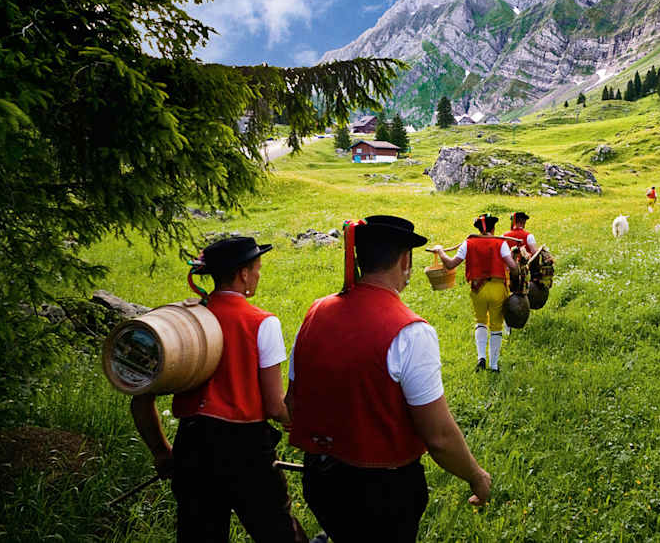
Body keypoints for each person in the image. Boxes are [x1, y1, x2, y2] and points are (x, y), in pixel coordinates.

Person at [287, 216, 491, 543]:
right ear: (405, 260)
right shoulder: (411, 331)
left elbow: (291, 402)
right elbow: (438, 435)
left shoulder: (315, 312)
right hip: (383, 493)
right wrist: (477, 477)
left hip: (320, 479)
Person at [130, 236, 307, 543]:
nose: (258, 276)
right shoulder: (262, 323)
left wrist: (161, 452)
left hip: (193, 446)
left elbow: (140, 401)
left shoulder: (184, 323)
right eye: (258, 269)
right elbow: (274, 406)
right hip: (247, 450)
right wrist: (294, 421)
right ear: (243, 274)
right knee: (278, 534)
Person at [433, 214, 521, 372]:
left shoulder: (468, 243)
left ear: (479, 229)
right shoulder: (500, 243)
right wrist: (514, 258)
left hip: (477, 290)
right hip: (497, 290)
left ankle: (481, 358)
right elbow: (513, 267)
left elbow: (451, 264)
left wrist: (440, 251)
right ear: (493, 228)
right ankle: (494, 366)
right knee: (496, 326)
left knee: (481, 322)